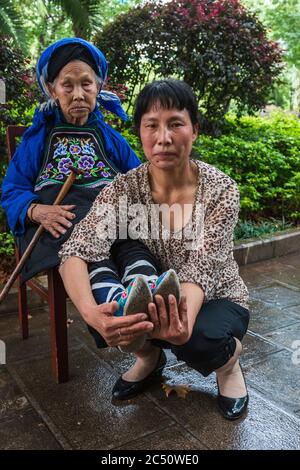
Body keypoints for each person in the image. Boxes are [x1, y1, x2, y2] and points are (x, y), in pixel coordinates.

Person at [59, 79, 250, 420]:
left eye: (176, 123)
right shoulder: (124, 188)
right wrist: (91, 314)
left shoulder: (221, 190)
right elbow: (76, 249)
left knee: (194, 341)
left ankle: (229, 363)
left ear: (194, 131)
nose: (163, 138)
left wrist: (183, 325)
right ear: (140, 133)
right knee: (103, 299)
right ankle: (149, 358)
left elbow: (200, 269)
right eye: (152, 125)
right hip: (155, 288)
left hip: (216, 296)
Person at [1, 37, 166, 330]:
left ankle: (149, 290)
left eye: (86, 84)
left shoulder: (110, 137)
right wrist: (38, 211)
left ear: (98, 87)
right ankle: (116, 306)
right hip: (65, 224)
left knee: (133, 241)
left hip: (113, 221)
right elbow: (12, 189)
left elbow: (141, 179)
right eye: (68, 85)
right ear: (52, 90)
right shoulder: (38, 137)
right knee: (86, 251)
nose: (78, 94)